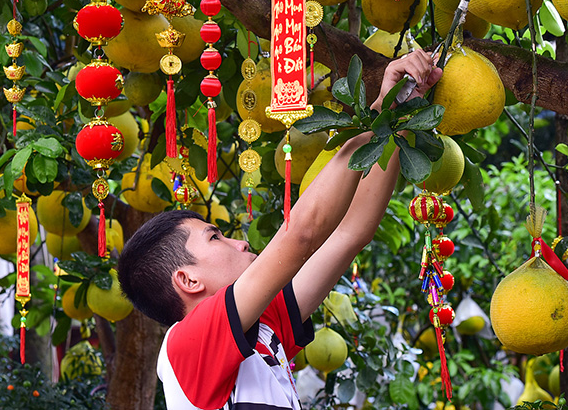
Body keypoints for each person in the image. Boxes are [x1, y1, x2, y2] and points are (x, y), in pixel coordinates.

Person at [117, 50, 442, 410]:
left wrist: (399, 111)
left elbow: (351, 233)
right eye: (215, 236)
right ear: (188, 280)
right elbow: (301, 233)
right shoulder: (187, 344)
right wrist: (378, 107)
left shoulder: (262, 328)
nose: (239, 243)